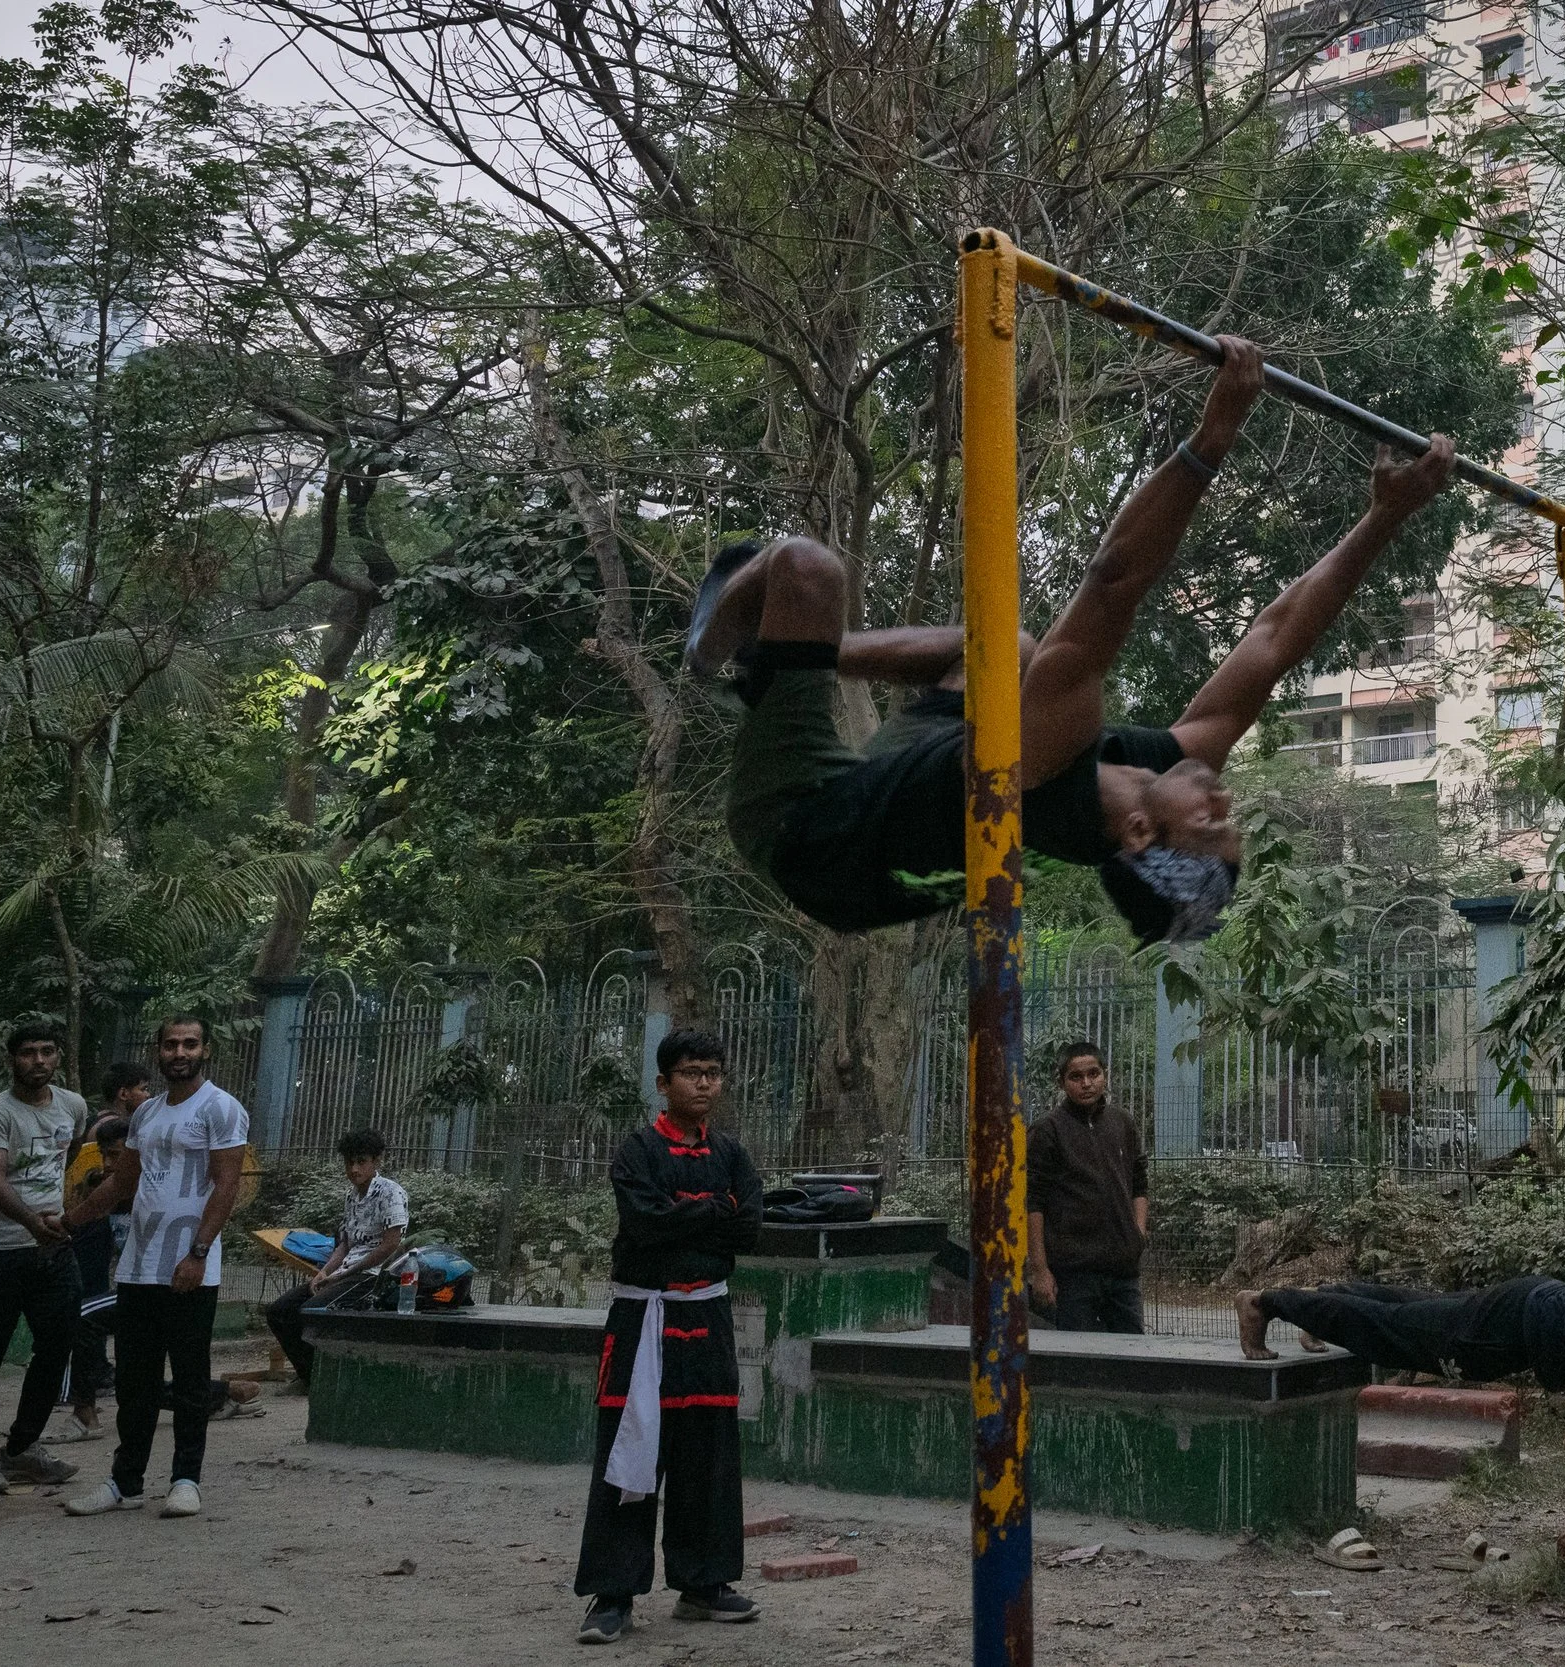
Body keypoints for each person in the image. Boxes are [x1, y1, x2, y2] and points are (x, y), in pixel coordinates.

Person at [685, 339, 1458, 945]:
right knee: (1007, 649)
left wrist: (1212, 436)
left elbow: (1113, 580)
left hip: (808, 830)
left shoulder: (1044, 767)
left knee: (807, 571)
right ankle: (806, 648)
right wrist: (1384, 518)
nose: (1226, 798)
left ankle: (731, 646)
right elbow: (1273, 640)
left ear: (1139, 830)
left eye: (1213, 819)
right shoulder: (1148, 777)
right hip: (897, 811)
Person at [1238, 1215, 1565, 1549]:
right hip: (1510, 1333)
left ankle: (1317, 1301)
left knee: (1412, 1309)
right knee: (1400, 1333)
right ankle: (1266, 1303)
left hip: (1530, 1309)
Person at [573, 1029, 767, 1646]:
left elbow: (750, 1228)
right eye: (690, 1072)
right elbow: (644, 1223)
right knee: (628, 1453)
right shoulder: (635, 1152)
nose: (704, 1082)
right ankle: (612, 1595)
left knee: (707, 1452)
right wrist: (713, 1212)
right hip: (642, 1323)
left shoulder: (734, 1155)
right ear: (664, 1083)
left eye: (713, 1071)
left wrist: (685, 1216)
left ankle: (703, 1585)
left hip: (707, 1319)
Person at [55, 1015, 251, 1521]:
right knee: (134, 1383)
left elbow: (226, 1185)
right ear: (159, 1052)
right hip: (140, 1265)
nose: (179, 1052)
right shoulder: (145, 1115)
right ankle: (125, 1483)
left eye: (189, 1043)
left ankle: (186, 1481)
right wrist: (67, 1222)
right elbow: (122, 1184)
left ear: (205, 1049)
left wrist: (199, 1252)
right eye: (170, 1044)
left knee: (188, 1378)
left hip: (190, 1266)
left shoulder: (221, 1108)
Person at [0, 1020, 88, 1496]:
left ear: (57, 1057)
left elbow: (62, 1160)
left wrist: (53, 1220)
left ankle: (21, 1450)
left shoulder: (73, 1105)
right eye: (28, 1052)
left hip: (53, 1252)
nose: (39, 1061)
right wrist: (35, 1222)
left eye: (47, 1051)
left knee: (57, 1346)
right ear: (12, 1059)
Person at [263, 1127, 410, 1390]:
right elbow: (345, 1243)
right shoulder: (351, 1196)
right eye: (349, 1162)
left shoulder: (390, 1193)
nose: (354, 1169)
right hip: (344, 1272)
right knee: (279, 1311)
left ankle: (324, 1380)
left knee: (311, 1311)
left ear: (376, 1161)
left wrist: (346, 1273)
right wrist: (325, 1271)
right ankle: (310, 1376)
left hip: (371, 1276)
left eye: (361, 1162)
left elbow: (391, 1245)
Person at [1026, 1042, 1148, 1333]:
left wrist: (1138, 1234)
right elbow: (1033, 1202)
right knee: (1080, 1364)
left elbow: (1139, 1184)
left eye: (1094, 1074)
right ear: (1062, 1082)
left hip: (1122, 1271)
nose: (1087, 1083)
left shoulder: (1123, 1123)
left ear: (1105, 1075)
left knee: (1133, 1357)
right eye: (1076, 1077)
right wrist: (1039, 1270)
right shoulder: (1048, 1130)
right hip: (1073, 1274)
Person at [49, 1112, 135, 1445]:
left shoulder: (154, 1189)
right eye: (103, 1155)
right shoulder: (106, 1194)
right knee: (137, 1386)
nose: (107, 1163)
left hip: (163, 1288)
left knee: (82, 1316)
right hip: (132, 1289)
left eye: (115, 1155)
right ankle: (223, 1396)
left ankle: (82, 1413)